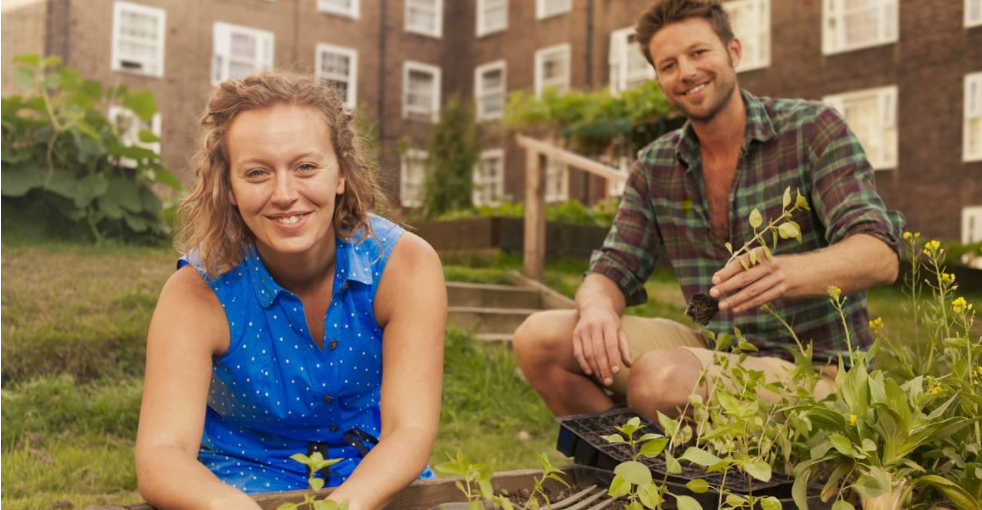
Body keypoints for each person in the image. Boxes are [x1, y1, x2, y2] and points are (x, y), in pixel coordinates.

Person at [513, 0, 904, 421]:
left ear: (733, 52)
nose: (686, 72)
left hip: (820, 370)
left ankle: (686, 472)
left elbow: (880, 254)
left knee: (660, 380)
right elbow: (613, 266)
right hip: (716, 351)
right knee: (540, 340)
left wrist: (785, 274)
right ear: (660, 79)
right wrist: (596, 310)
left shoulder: (812, 129)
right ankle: (627, 466)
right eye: (668, 65)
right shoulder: (655, 165)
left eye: (699, 53)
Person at [135, 72, 447, 510]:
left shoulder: (406, 267)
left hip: (377, 483)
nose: (284, 194)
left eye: (305, 167)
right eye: (257, 172)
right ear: (229, 188)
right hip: (238, 487)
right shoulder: (194, 294)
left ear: (340, 174)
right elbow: (161, 456)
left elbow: (409, 432)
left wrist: (343, 507)